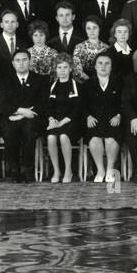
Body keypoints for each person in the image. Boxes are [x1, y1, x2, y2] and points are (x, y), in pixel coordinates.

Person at [0, 49, 44, 182]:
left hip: (32, 117)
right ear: (13, 63)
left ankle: (27, 169)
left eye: (25, 60)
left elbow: (42, 103)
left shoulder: (40, 79)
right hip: (11, 118)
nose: (21, 63)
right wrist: (20, 111)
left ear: (30, 61)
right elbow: (3, 105)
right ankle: (13, 169)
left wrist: (24, 114)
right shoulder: (5, 81)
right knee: (9, 130)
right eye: (18, 60)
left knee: (29, 130)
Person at [84, 51, 125, 183]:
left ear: (111, 66)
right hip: (94, 120)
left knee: (110, 139)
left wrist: (119, 115)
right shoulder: (88, 84)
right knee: (94, 139)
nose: (103, 66)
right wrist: (88, 116)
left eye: (107, 64)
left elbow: (125, 102)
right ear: (95, 66)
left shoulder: (119, 82)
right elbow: (82, 105)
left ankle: (110, 169)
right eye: (100, 63)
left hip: (113, 119)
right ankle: (100, 170)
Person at [44, 55, 82, 183]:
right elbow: (48, 106)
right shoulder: (51, 86)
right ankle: (56, 170)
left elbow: (77, 108)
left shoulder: (77, 85)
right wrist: (51, 119)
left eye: (65, 67)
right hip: (56, 121)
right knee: (50, 137)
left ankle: (68, 170)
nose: (62, 70)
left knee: (63, 136)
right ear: (55, 69)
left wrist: (63, 122)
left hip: (71, 122)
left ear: (71, 68)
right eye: (59, 67)